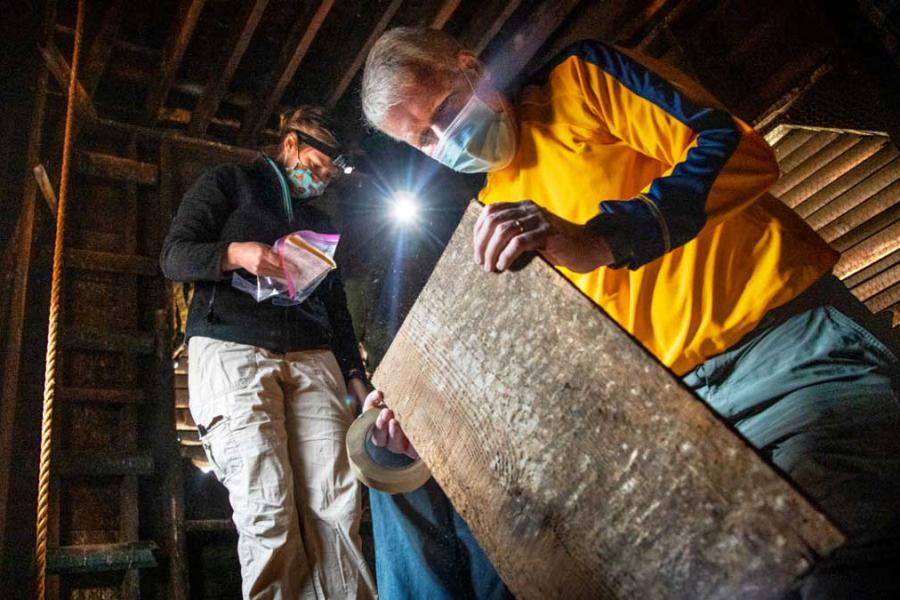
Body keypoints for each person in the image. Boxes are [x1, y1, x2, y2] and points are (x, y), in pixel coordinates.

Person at [358, 27, 900, 599]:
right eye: (424, 138)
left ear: (471, 68)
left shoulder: (580, 82)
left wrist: (607, 237)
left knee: (841, 560)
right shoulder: (491, 214)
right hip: (675, 430)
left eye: (444, 110)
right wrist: (437, 431)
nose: (445, 137)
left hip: (785, 348)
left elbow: (736, 150)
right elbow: (543, 370)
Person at [160, 106, 377, 599]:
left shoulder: (319, 220)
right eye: (315, 167)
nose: (319, 180)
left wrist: (353, 373)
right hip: (234, 346)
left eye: (329, 175)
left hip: (313, 356)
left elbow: (335, 305)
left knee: (338, 503)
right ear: (291, 145)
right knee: (269, 506)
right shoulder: (230, 183)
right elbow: (173, 256)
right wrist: (235, 253)